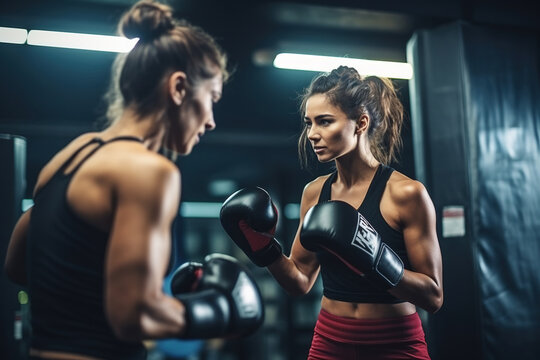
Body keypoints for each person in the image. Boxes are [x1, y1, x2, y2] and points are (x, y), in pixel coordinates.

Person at [3, 1, 263, 359]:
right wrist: (219, 311)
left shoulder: (70, 156)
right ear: (179, 88)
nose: (211, 121)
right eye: (212, 99)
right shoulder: (150, 172)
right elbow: (134, 315)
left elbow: (17, 265)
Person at [220, 66, 443, 359]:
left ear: (360, 123)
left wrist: (375, 259)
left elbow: (433, 296)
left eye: (324, 122)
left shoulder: (406, 193)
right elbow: (299, 281)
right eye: (309, 123)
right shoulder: (314, 193)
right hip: (330, 341)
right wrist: (264, 248)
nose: (312, 134)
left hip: (395, 342)